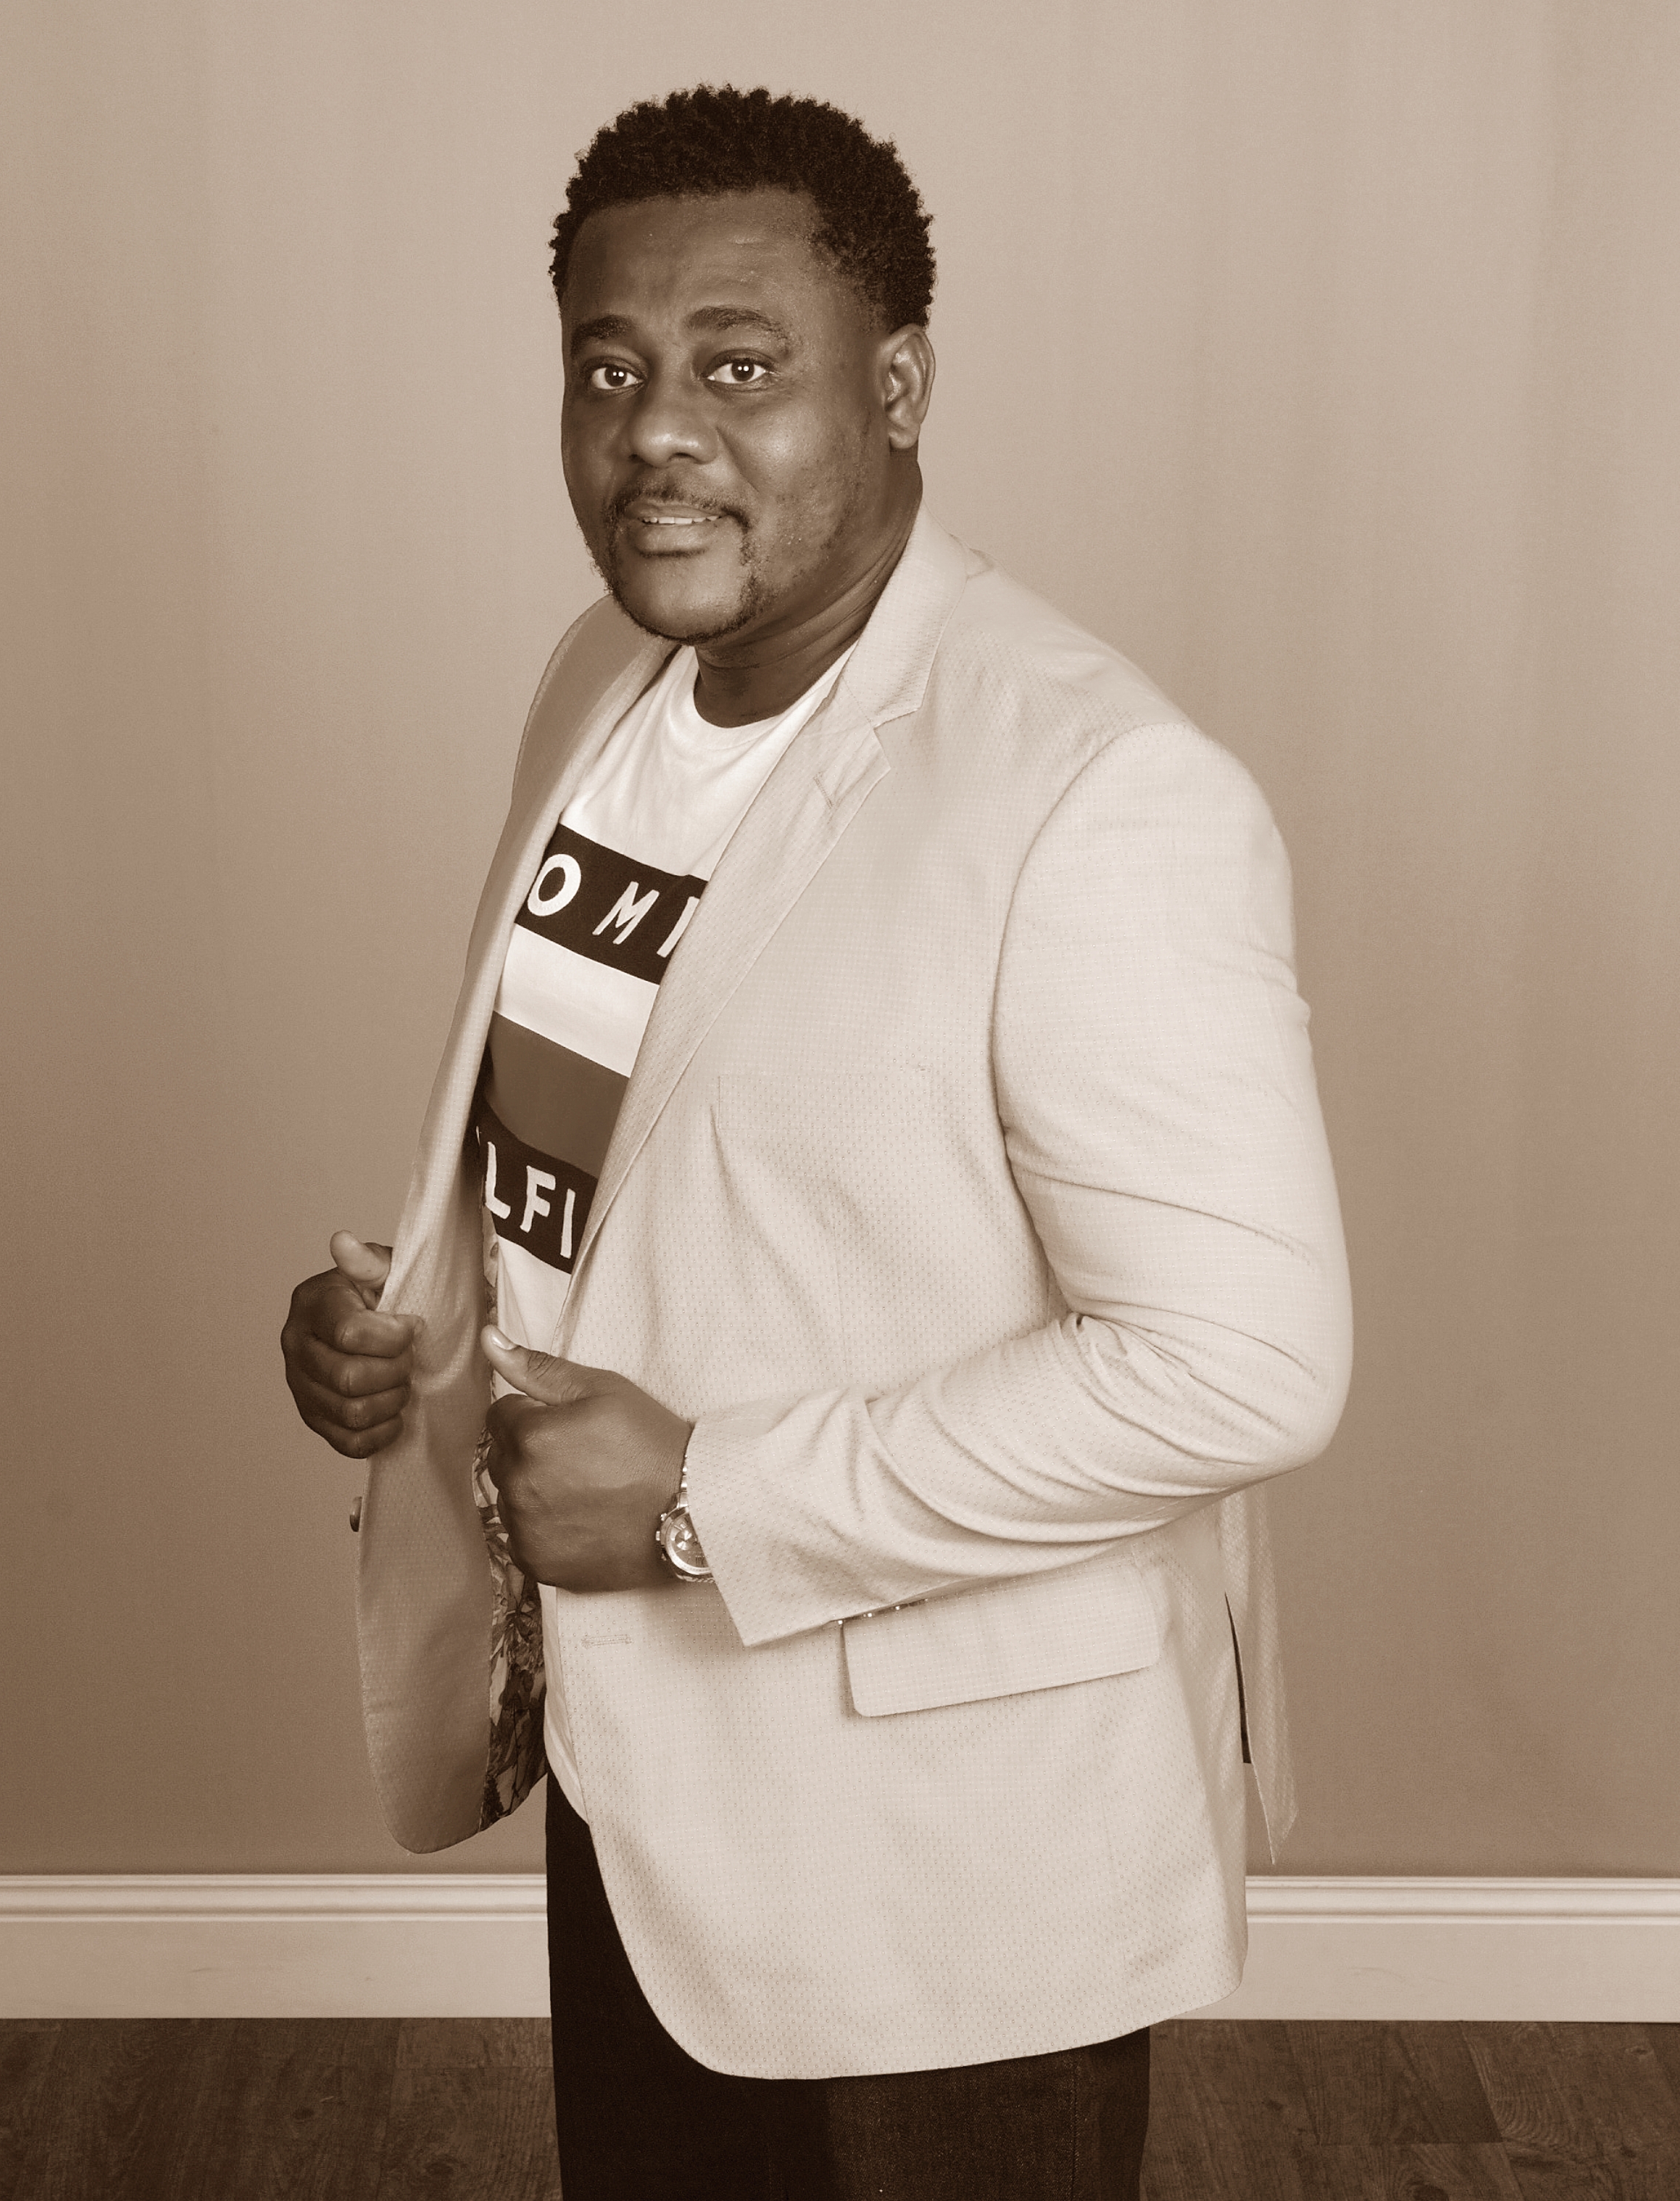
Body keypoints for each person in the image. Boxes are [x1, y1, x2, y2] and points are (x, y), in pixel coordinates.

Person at [281, 84, 1351, 2200]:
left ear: (901, 387)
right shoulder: (606, 676)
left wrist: (705, 1499)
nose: (659, 434)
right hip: (641, 1773)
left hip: (944, 1843)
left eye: (742, 367)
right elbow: (625, 1157)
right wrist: (414, 1328)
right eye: (609, 369)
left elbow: (1242, 1369)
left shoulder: (1095, 790)